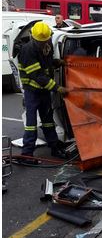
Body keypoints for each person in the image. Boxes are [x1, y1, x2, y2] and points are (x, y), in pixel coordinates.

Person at [17, 21, 70, 164]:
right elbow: (37, 76)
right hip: (32, 91)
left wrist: (55, 62)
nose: (44, 43)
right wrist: (57, 88)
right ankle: (27, 154)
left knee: (48, 121)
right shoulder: (27, 50)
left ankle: (54, 147)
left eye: (46, 40)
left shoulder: (47, 45)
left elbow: (45, 64)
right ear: (33, 38)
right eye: (42, 41)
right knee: (31, 123)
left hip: (44, 90)